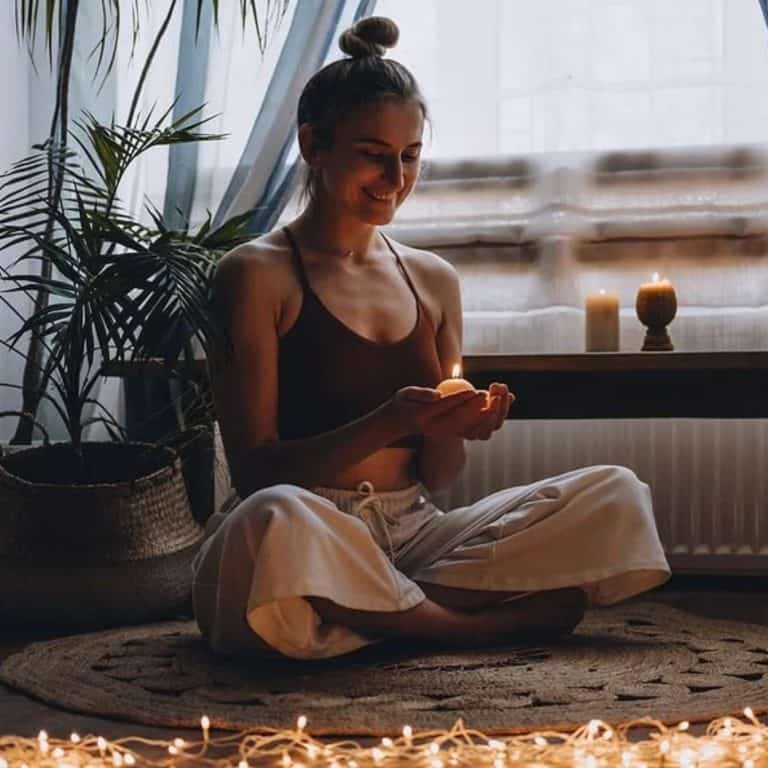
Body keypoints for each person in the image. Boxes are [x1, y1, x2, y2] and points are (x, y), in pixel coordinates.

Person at [192, 16, 670, 660]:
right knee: (269, 521)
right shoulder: (254, 274)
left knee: (614, 490)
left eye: (410, 156)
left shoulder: (434, 280)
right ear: (313, 145)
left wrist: (453, 425)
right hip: (309, 524)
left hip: (416, 531)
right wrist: (388, 420)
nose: (396, 178)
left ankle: (365, 610)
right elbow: (254, 473)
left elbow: (441, 477)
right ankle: (464, 626)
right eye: (373, 153)